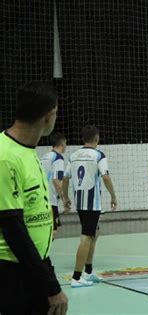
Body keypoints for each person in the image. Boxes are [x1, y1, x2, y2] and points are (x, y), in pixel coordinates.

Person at [0, 81, 68, 314]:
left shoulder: (29, 152)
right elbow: (13, 229)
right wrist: (51, 286)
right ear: (48, 116)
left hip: (34, 267)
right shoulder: (6, 156)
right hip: (13, 275)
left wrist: (47, 271)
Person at [63, 125, 118, 287]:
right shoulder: (98, 155)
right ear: (97, 139)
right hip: (92, 203)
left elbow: (65, 178)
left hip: (81, 202)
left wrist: (65, 197)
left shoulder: (73, 155)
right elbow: (106, 177)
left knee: (95, 233)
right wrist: (114, 196)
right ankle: (77, 277)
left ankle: (88, 271)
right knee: (87, 236)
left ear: (82, 139)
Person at [40, 132, 67, 239]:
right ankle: (42, 255)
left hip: (41, 199)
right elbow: (57, 181)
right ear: (62, 144)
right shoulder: (58, 158)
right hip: (50, 201)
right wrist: (64, 200)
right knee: (52, 231)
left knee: (45, 229)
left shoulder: (44, 157)